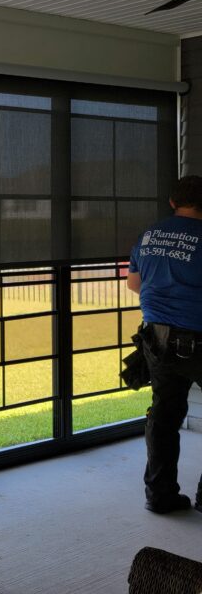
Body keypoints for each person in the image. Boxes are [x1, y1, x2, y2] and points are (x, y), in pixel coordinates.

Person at [127, 175, 202, 514]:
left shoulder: (149, 235)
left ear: (173, 202)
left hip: (156, 340)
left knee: (163, 416)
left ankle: (160, 495)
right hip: (199, 338)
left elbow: (134, 284)